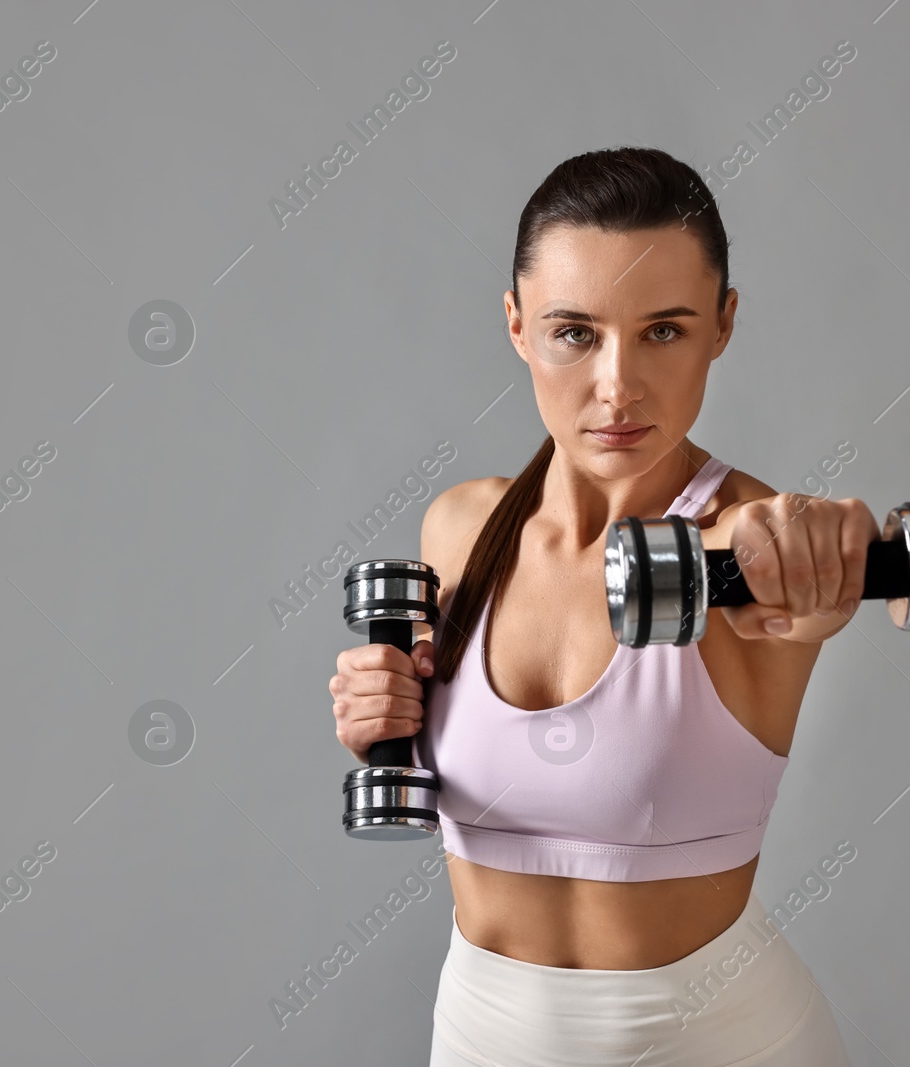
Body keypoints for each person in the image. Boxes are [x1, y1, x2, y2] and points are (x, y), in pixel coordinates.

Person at [330, 146, 869, 1065]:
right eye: (575, 332)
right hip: (478, 1032)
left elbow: (807, 579)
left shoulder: (741, 546)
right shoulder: (458, 528)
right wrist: (379, 713)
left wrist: (830, 550)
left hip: (715, 1041)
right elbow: (428, 743)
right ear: (515, 324)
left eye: (664, 330)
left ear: (723, 324)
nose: (617, 385)